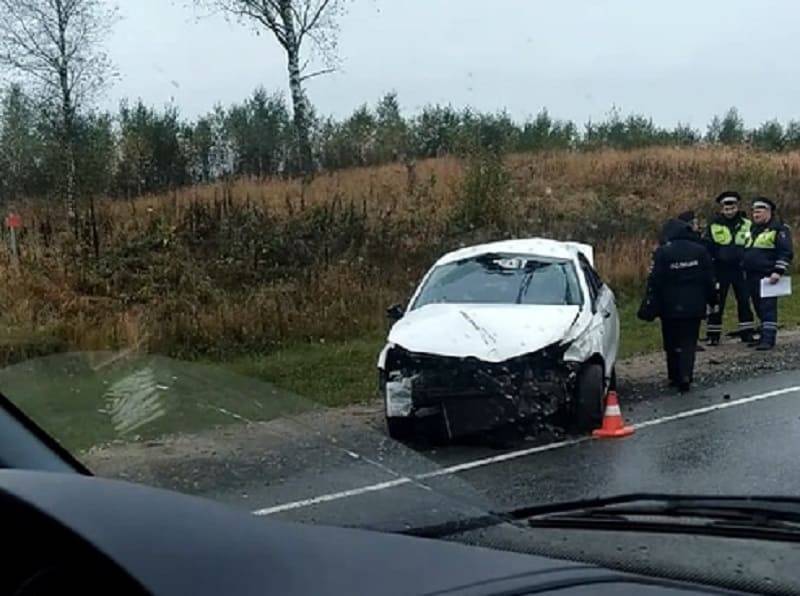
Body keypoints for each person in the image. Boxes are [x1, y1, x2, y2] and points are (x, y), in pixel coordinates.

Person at [646, 217, 717, 392]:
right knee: (689, 341)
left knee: (671, 342)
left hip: (669, 305)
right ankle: (686, 375)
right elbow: (709, 278)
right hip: (694, 304)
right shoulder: (700, 251)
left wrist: (652, 301)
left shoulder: (663, 252)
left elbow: (655, 280)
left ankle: (674, 375)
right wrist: (713, 300)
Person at [742, 197, 794, 350]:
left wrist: (778, 271)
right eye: (754, 212)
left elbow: (785, 252)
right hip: (751, 274)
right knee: (758, 306)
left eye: (759, 212)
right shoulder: (752, 229)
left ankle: (768, 339)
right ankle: (763, 335)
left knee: (768, 307)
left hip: (768, 275)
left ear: (768, 212)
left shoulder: (779, 229)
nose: (755, 215)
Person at [704, 191, 755, 345]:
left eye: (732, 208)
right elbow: (708, 246)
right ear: (721, 209)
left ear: (737, 207)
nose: (729, 211)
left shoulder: (747, 224)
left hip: (741, 268)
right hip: (721, 269)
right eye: (726, 208)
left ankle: (747, 333)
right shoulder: (714, 225)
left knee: (744, 300)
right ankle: (713, 335)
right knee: (717, 302)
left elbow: (752, 244)